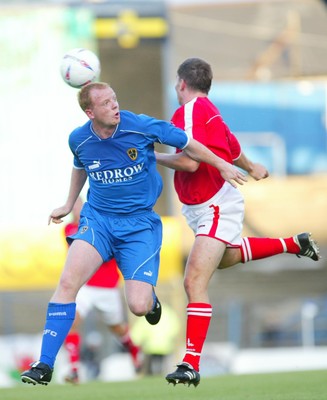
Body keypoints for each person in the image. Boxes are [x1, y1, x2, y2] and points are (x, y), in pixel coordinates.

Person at [21, 81, 247, 386]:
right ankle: (44, 364)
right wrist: (69, 203)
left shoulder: (139, 126)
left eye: (115, 99)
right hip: (98, 221)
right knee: (67, 283)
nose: (115, 106)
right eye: (106, 103)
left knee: (138, 306)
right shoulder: (78, 139)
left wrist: (221, 164)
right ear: (90, 112)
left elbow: (188, 143)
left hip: (139, 226)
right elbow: (80, 165)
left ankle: (150, 303)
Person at [155, 58, 320, 387]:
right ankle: (294, 244)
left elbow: (188, 162)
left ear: (182, 83)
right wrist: (252, 164)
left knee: (194, 282)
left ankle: (190, 363)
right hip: (203, 206)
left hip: (215, 204)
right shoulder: (210, 111)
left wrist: (151, 155)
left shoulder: (187, 113)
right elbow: (230, 147)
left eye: (176, 82)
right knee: (226, 258)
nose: (175, 87)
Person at [63, 197, 142, 384]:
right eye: (74, 206)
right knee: (71, 321)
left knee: (117, 328)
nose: (77, 210)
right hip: (85, 286)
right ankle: (74, 369)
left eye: (79, 205)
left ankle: (134, 351)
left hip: (108, 288)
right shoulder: (69, 230)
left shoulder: (107, 225)